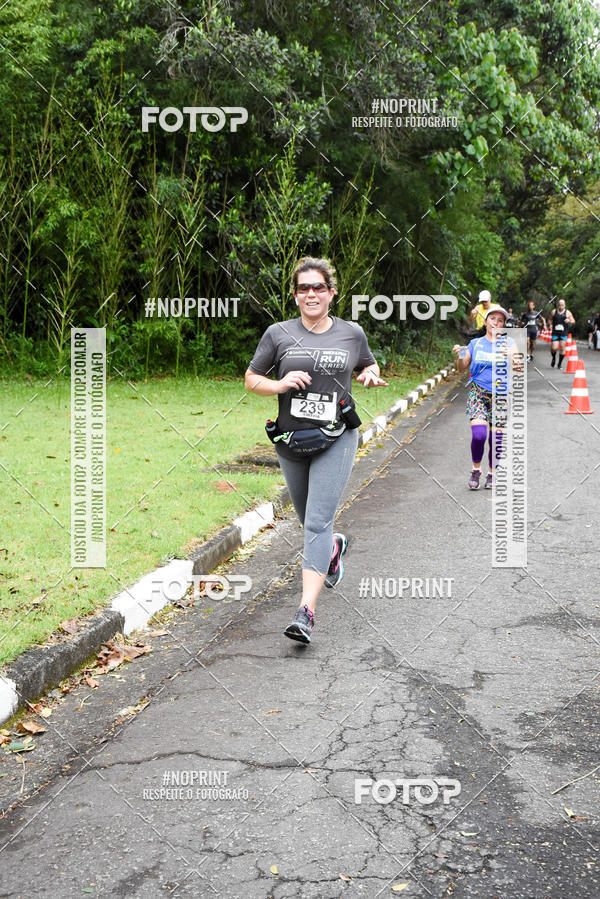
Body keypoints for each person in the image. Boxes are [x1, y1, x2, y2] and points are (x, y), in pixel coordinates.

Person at [244, 256, 388, 644]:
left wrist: (370, 375)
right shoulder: (278, 334)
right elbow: (251, 379)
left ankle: (305, 612)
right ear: (295, 295)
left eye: (318, 287)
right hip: (291, 439)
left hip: (336, 436)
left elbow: (367, 365)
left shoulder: (351, 332)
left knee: (318, 522)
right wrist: (280, 383)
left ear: (331, 293)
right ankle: (334, 548)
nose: (311, 294)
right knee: (309, 522)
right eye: (303, 288)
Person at [453, 307, 523, 490]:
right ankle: (476, 470)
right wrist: (460, 354)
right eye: (492, 319)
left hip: (500, 395)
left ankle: (492, 473)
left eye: (500, 321)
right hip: (478, 393)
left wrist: (511, 355)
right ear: (486, 322)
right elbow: (461, 367)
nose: (496, 323)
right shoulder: (475, 343)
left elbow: (519, 368)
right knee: (479, 435)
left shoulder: (509, 342)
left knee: (495, 438)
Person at [548, 299, 575, 369]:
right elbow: (549, 320)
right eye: (560, 305)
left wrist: (569, 320)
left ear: (565, 305)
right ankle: (553, 358)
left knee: (562, 347)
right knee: (554, 348)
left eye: (562, 305)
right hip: (555, 332)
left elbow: (573, 321)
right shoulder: (554, 312)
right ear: (558, 305)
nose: (561, 306)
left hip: (564, 333)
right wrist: (550, 325)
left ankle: (559, 364)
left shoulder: (568, 312)